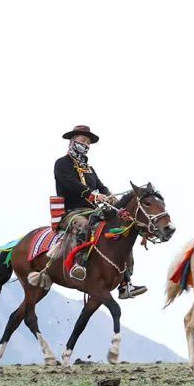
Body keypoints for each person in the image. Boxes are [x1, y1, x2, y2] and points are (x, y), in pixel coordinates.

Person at [54, 125, 146, 299]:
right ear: (72, 141)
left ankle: (125, 283)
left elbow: (100, 186)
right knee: (84, 225)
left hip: (93, 211)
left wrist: (110, 197)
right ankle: (79, 265)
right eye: (83, 140)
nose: (86, 145)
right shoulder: (62, 163)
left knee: (121, 229)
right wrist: (92, 195)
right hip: (72, 212)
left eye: (88, 143)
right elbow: (70, 183)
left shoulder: (89, 168)